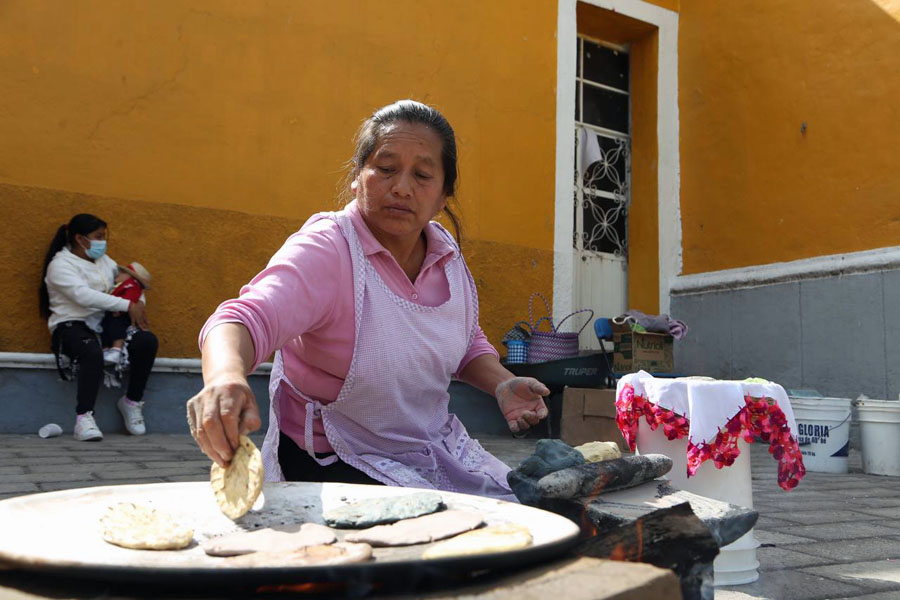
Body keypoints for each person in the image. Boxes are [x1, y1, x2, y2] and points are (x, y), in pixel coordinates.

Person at [187, 100, 550, 501]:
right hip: (333, 461)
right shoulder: (328, 249)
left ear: (444, 195)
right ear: (358, 176)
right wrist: (225, 378)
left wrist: (503, 384)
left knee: (532, 512)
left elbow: (463, 340)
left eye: (423, 174)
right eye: (386, 168)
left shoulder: (445, 255)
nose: (401, 187)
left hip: (431, 451)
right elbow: (242, 319)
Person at [40, 214, 159, 441]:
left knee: (147, 341)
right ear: (80, 239)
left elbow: (131, 284)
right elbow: (83, 296)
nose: (102, 242)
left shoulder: (105, 262)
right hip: (71, 326)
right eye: (98, 237)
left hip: (106, 325)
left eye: (103, 237)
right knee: (90, 350)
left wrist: (138, 305)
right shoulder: (60, 265)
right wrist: (127, 305)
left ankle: (131, 402)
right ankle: (84, 417)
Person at [101, 262, 152, 366]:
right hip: (110, 312)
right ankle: (105, 350)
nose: (118, 274)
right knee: (105, 327)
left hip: (120, 314)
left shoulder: (131, 285)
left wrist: (120, 308)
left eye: (123, 272)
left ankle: (116, 349)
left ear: (131, 277)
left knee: (117, 327)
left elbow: (130, 299)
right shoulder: (121, 285)